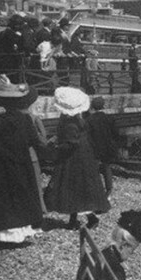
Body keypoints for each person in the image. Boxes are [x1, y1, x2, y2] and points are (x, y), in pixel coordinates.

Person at [0, 75, 46, 245]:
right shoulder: (22, 118)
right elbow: (32, 139)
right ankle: (21, 232)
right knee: (21, 196)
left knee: (1, 197)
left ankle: (2, 234)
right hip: (20, 162)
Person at [44, 87, 111, 230]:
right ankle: (75, 219)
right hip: (83, 159)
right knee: (77, 189)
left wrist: (56, 147)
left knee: (74, 188)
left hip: (74, 160)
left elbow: (71, 144)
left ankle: (88, 218)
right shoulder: (78, 120)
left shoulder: (69, 123)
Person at [85, 96, 121, 197]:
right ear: (103, 106)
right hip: (107, 146)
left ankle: (96, 190)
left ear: (92, 107)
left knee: (94, 168)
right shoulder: (110, 118)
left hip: (95, 147)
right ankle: (109, 190)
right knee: (106, 167)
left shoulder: (89, 120)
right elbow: (116, 134)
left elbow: (87, 135)